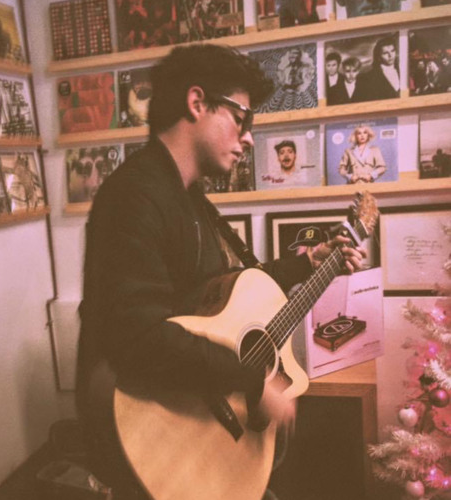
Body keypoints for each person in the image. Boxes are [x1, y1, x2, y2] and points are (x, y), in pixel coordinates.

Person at [76, 43, 366, 500]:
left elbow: (221, 296)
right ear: (197, 103)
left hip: (200, 422)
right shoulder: (135, 196)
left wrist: (308, 263)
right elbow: (139, 335)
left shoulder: (188, 198)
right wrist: (250, 380)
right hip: (158, 441)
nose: (248, 137)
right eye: (241, 117)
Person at [358, 35, 400, 101]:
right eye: (385, 53)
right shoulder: (370, 77)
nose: (390, 55)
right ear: (379, 56)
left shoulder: (403, 70)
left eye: (392, 51)